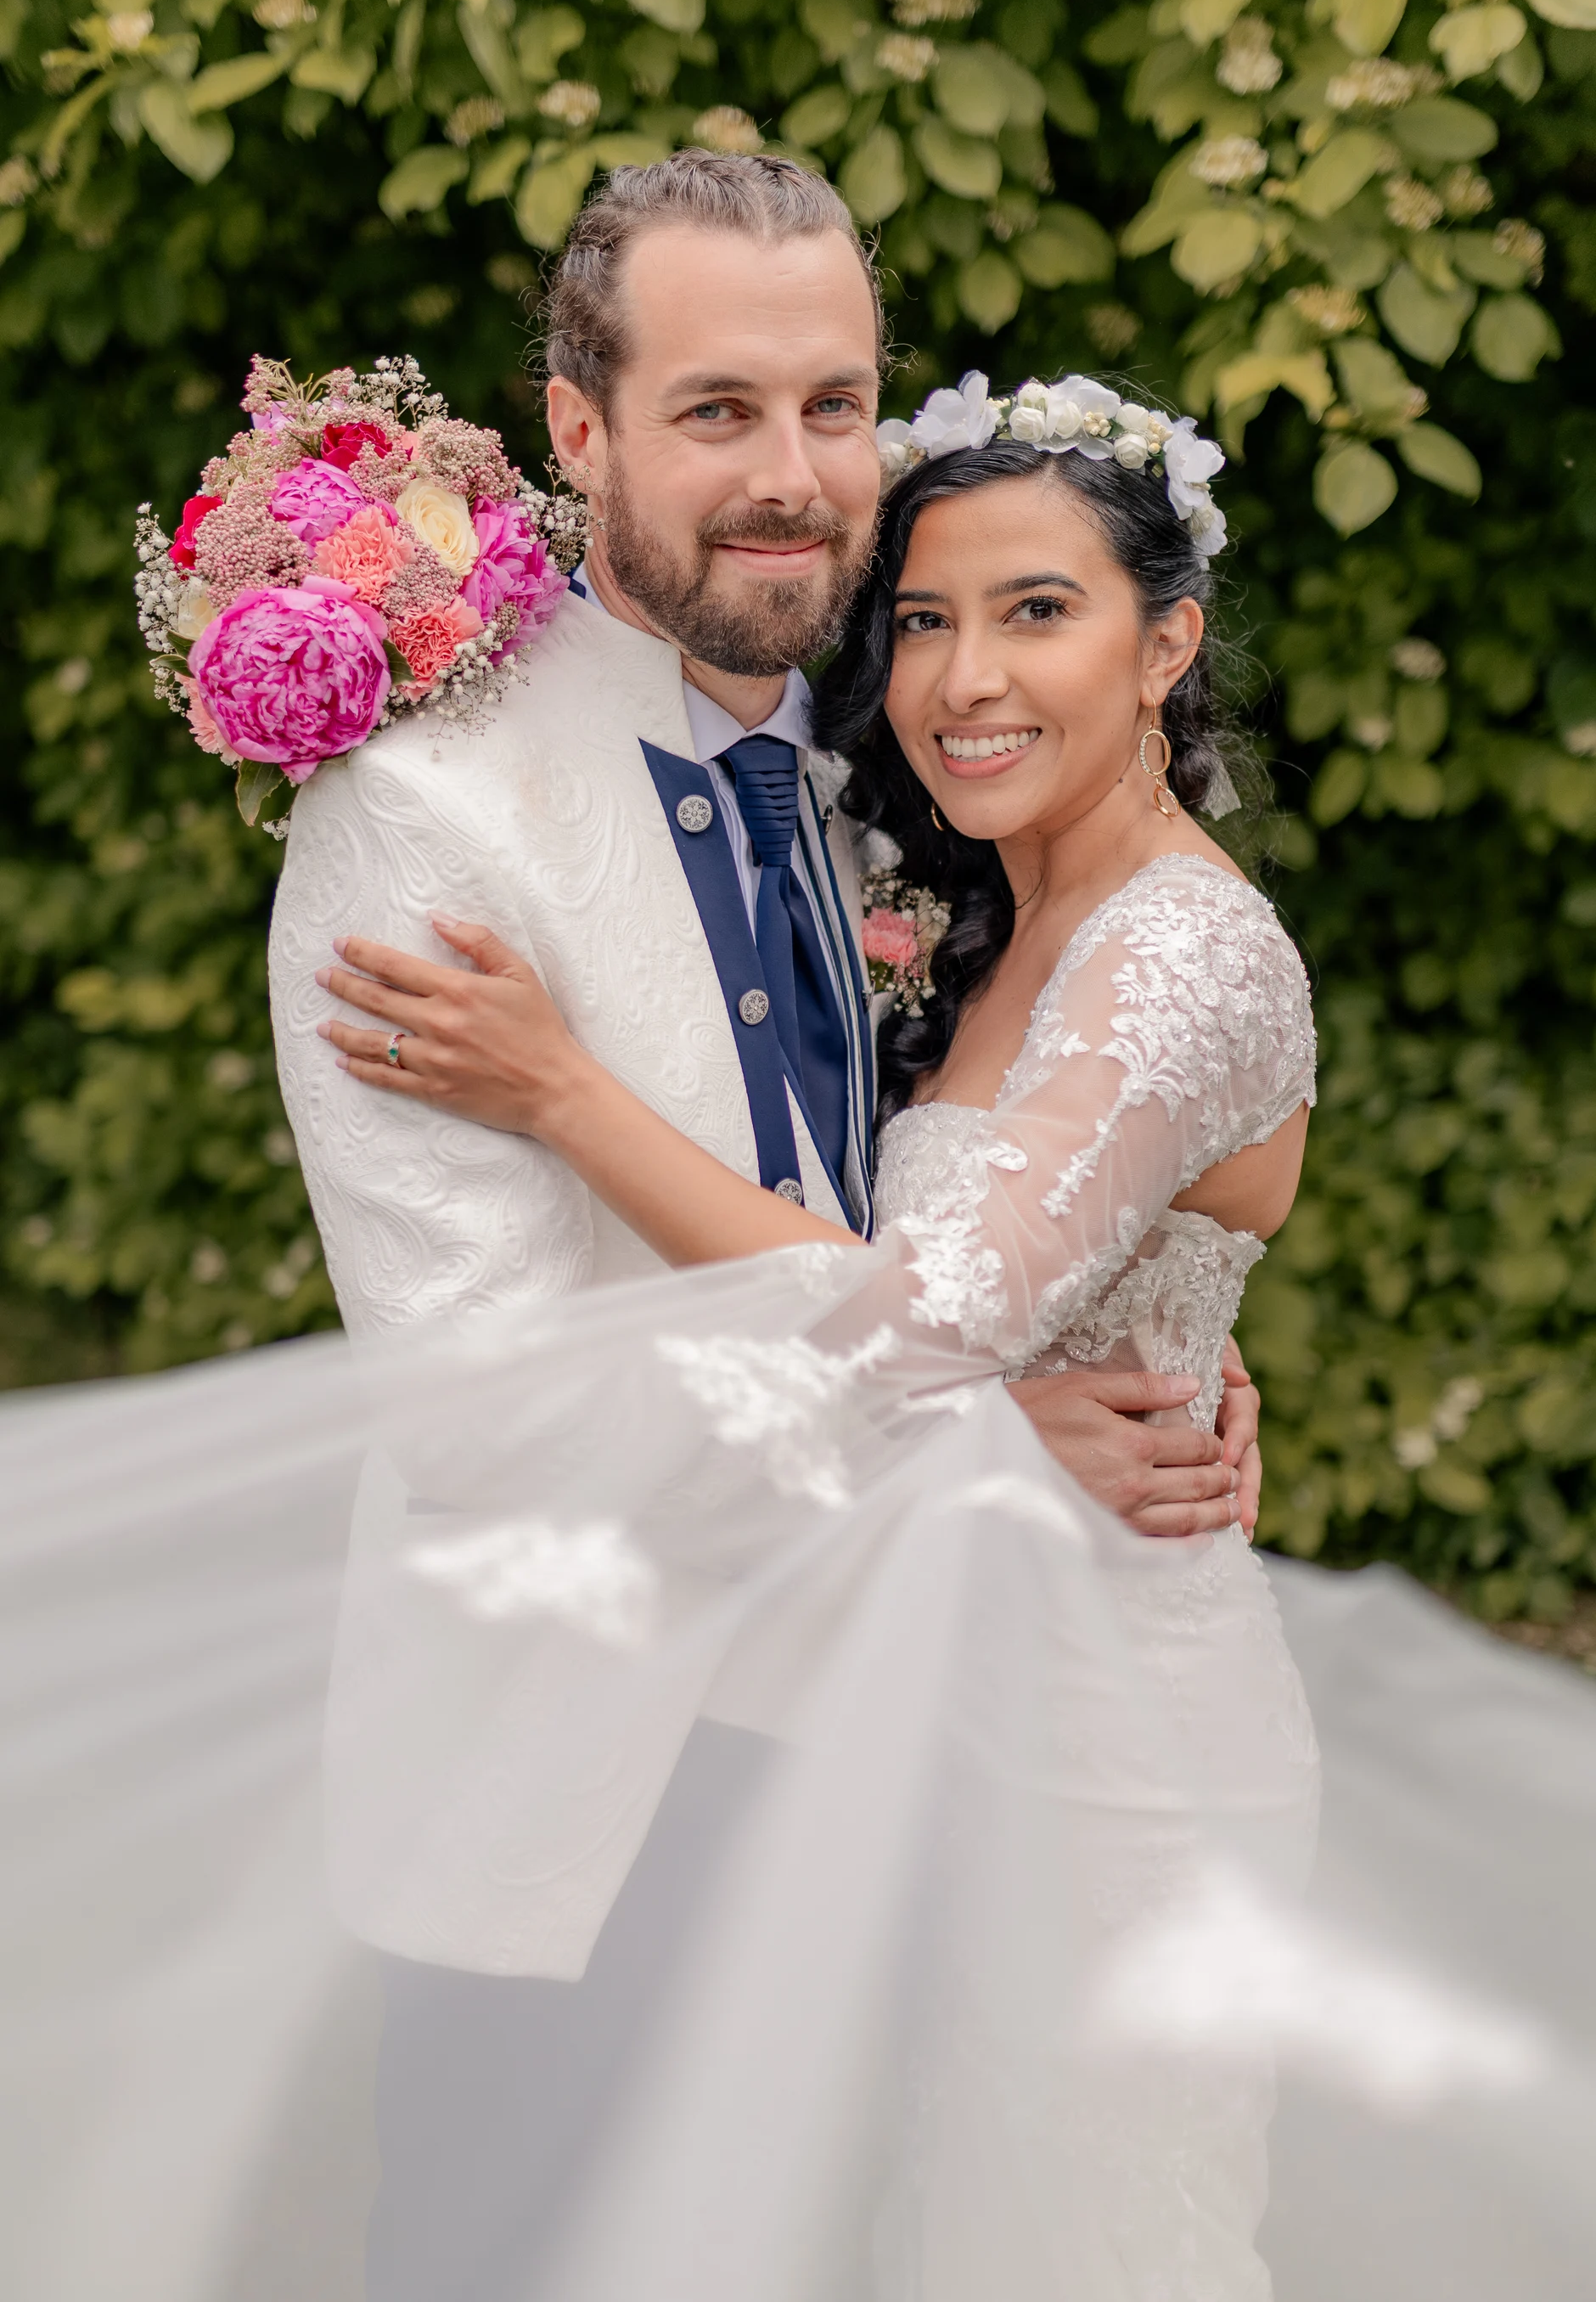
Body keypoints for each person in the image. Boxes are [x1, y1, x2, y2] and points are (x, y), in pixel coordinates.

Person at [312, 369, 1322, 2292]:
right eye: (924, 620)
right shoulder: (986, 914)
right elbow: (996, 1272)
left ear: (1166, 644)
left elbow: (930, 1322)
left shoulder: (1186, 951)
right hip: (927, 1710)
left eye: (1039, 612)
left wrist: (562, 1093)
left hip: (1110, 1741)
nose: (965, 679)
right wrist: (1079, 1379)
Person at [269, 150, 1262, 1539]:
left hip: (931, 1642)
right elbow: (481, 1422)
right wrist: (977, 1436)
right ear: (580, 430)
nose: (790, 479)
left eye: (832, 406)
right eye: (719, 411)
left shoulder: (905, 769)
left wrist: (1134, 1318)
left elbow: (979, 1199)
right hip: (585, 1662)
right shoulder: (422, 809)